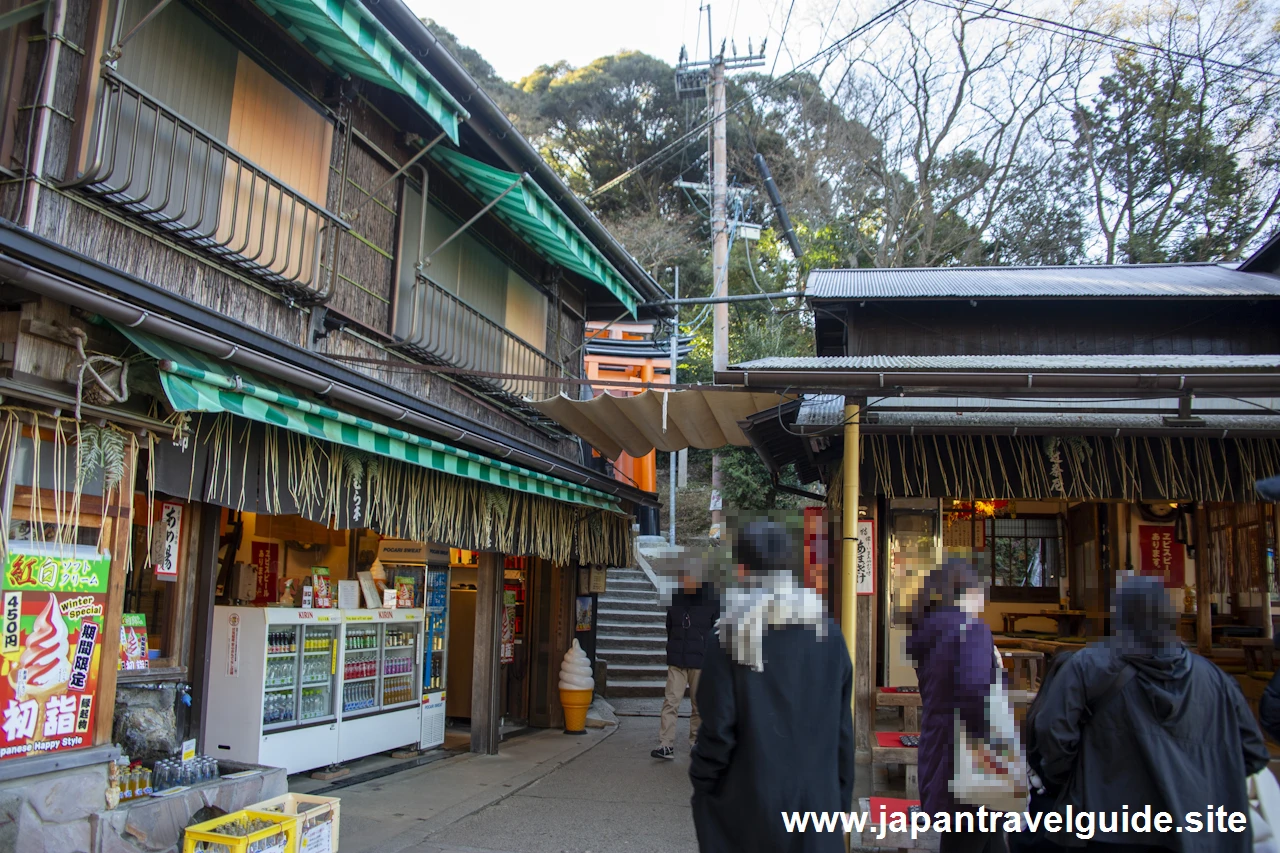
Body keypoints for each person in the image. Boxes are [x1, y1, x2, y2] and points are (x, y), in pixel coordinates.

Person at [1034, 574, 1269, 853]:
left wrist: (1074, 776)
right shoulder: (1216, 679)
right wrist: (1207, 781)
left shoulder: (1088, 666)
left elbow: (1051, 730)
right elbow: (1253, 752)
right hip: (1197, 829)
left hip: (1107, 823)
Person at [688, 521, 853, 853]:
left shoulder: (729, 637)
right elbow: (842, 734)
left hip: (749, 813)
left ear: (742, 568)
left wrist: (702, 783)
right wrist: (838, 802)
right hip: (815, 813)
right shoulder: (830, 635)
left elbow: (717, 731)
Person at [906, 560, 1009, 853]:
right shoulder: (971, 630)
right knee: (972, 840)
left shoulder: (928, 632)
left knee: (987, 842)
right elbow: (976, 694)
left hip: (940, 751)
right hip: (975, 764)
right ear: (967, 591)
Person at [651, 570, 718, 760]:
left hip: (701, 662)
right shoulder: (675, 599)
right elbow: (669, 627)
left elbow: (717, 631)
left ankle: (696, 743)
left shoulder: (712, 600)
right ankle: (666, 744)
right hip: (677, 661)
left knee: (699, 706)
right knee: (671, 702)